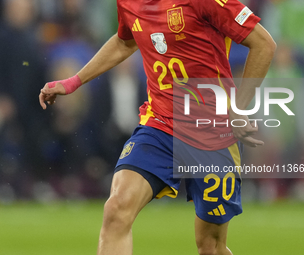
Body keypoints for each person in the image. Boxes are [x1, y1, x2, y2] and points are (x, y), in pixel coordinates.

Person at [39, 0, 276, 254]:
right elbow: (124, 41)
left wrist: (238, 108)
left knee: (211, 245)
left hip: (212, 130)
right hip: (159, 124)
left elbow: (264, 44)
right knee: (117, 209)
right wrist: (74, 82)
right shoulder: (128, 3)